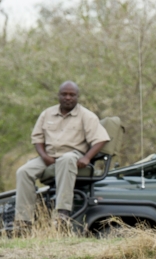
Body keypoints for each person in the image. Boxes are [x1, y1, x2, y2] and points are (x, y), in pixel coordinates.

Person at [15, 81, 110, 224]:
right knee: (23, 171)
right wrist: (44, 156)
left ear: (77, 97)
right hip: (49, 156)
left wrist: (87, 157)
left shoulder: (87, 116)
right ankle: (24, 220)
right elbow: (37, 138)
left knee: (66, 159)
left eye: (72, 95)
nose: (68, 97)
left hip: (73, 154)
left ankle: (62, 213)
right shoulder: (47, 113)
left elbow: (101, 139)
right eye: (64, 94)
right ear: (58, 96)